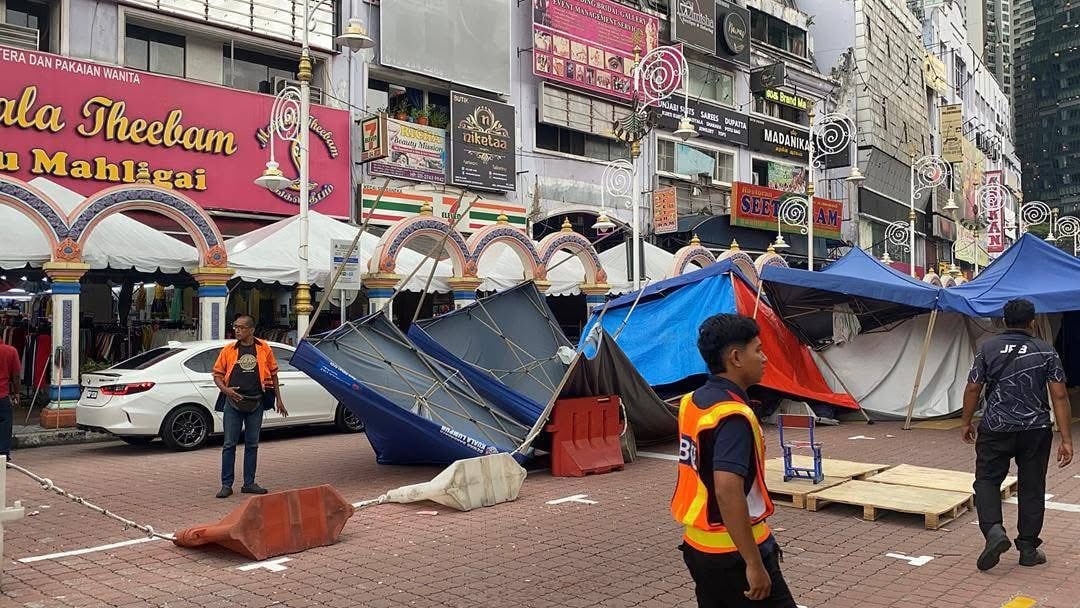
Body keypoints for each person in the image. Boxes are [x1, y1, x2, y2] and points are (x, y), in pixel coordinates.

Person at [672, 314, 797, 607]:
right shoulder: (732, 415)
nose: (765, 358)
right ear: (736, 357)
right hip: (734, 552)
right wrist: (753, 563)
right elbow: (727, 489)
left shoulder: (693, 402)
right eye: (758, 350)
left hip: (699, 544)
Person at [961, 298, 1072, 571]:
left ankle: (994, 532)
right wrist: (1066, 439)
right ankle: (1028, 548)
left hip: (996, 427)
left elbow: (973, 388)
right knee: (1032, 486)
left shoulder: (988, 348)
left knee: (987, 480)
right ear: (1032, 321)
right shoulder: (1045, 351)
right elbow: (1059, 395)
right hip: (1035, 430)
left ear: (1003, 320)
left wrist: (966, 422)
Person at [212, 314, 287, 498]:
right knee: (229, 444)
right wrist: (226, 390)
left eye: (241, 327)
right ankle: (226, 484)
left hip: (256, 402)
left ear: (251, 330)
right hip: (233, 402)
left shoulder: (264, 348)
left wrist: (279, 399)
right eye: (235, 326)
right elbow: (217, 375)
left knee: (252, 444)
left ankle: (249, 483)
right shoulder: (229, 349)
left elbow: (274, 374)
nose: (237, 330)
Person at [0, 339, 20, 462]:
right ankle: (3, 456)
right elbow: (16, 375)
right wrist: (16, 393)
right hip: (2, 396)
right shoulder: (11, 351)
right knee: (4, 426)